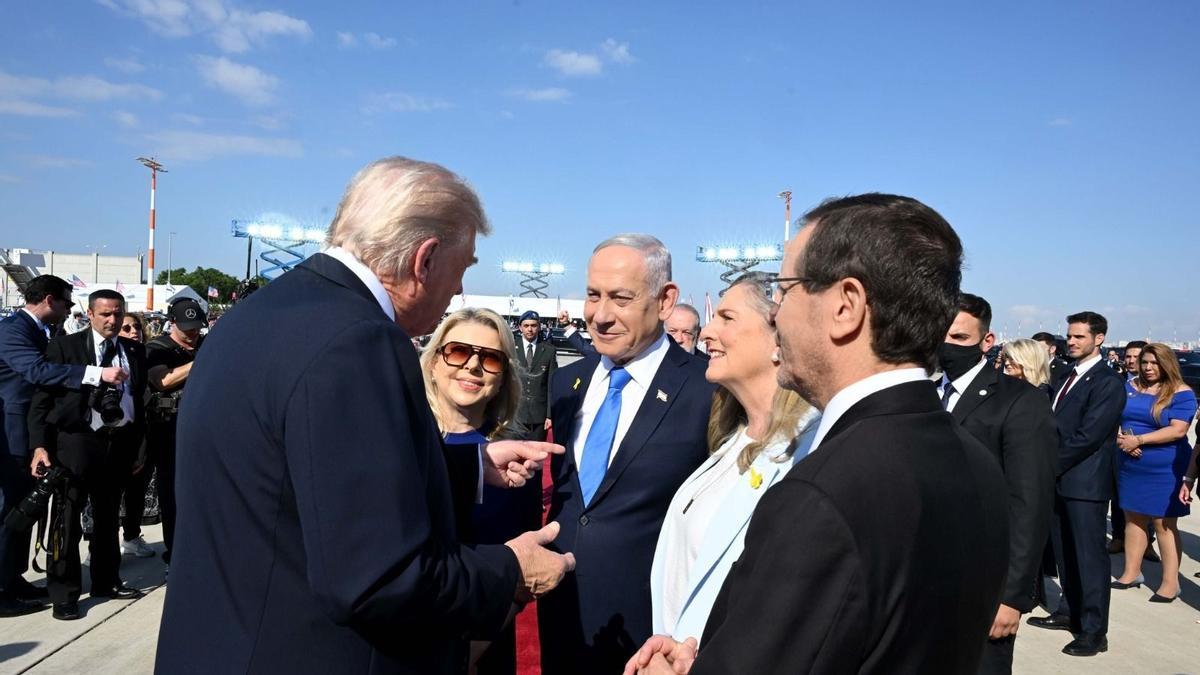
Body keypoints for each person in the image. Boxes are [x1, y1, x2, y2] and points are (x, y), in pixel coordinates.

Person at [155, 157, 574, 674]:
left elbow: (304, 481)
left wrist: (467, 468)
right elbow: (378, 577)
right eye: (463, 269)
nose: (459, 291)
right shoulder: (359, 341)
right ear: (425, 260)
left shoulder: (257, 315)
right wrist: (510, 570)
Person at [627, 194, 1009, 675]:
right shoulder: (977, 462)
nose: (776, 315)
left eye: (786, 291)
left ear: (845, 306)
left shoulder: (820, 493)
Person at [538, 234, 715, 675]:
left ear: (665, 300)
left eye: (620, 298)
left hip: (651, 634)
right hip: (561, 613)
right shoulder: (566, 383)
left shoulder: (707, 391)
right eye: (593, 295)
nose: (600, 315)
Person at [646, 275, 819, 645]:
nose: (706, 331)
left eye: (727, 318)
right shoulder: (733, 437)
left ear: (778, 337)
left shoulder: (811, 450)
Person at [938, 293, 1058, 675]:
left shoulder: (1020, 401)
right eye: (940, 335)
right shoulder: (922, 393)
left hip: (984, 584)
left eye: (959, 338)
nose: (946, 345)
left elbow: (1030, 503)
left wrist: (1012, 597)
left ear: (986, 342)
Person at [422, 307, 542, 675]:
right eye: (458, 351)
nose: (473, 366)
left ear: (504, 375)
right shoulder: (399, 440)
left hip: (477, 648)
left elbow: (519, 571)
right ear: (433, 361)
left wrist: (467, 655)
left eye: (490, 358)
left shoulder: (518, 461)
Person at [0, 275, 125, 617]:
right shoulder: (13, 331)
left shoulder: (45, 332)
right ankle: (1, 588)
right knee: (14, 509)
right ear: (50, 299)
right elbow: (38, 372)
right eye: (68, 303)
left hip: (34, 431)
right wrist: (96, 374)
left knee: (28, 504)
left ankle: (13, 578)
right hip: (11, 432)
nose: (69, 310)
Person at [28, 289, 148, 621]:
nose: (113, 320)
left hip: (118, 443)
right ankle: (64, 593)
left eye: (118, 313)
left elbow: (140, 401)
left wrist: (139, 448)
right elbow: (41, 400)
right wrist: (39, 445)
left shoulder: (134, 351)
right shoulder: (66, 347)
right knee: (66, 520)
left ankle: (106, 581)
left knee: (109, 518)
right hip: (75, 444)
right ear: (90, 315)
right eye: (106, 314)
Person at [1027, 311, 1125, 657]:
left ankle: (1095, 630)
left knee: (1089, 558)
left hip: (1084, 484)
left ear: (1099, 339)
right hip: (1058, 481)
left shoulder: (1107, 382)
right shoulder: (1065, 374)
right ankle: (1069, 611)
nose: (1071, 341)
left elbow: (1089, 436)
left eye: (1079, 336)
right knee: (1066, 554)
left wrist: (1046, 463)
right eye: (1069, 336)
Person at [1110, 344, 1197, 602]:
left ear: (1167, 364)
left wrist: (1140, 440)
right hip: (1129, 461)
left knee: (1164, 523)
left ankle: (1171, 584)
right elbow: (1111, 417)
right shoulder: (1128, 387)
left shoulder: (1182, 393)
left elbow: (1178, 430)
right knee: (1133, 518)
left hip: (1165, 466)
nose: (1148, 368)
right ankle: (1131, 572)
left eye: (1154, 363)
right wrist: (1120, 439)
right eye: (1145, 362)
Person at [142, 298, 207, 569]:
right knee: (173, 494)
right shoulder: (158, 349)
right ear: (173, 323)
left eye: (196, 328)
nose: (192, 333)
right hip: (169, 431)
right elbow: (163, 380)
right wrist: (202, 360)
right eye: (187, 328)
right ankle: (175, 551)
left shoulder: (204, 344)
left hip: (204, 431)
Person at [116, 312, 156, 559]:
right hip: (111, 433)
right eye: (127, 328)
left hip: (143, 433)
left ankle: (131, 535)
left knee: (136, 489)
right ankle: (97, 545)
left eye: (137, 327)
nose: (134, 332)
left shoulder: (146, 354)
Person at [1109, 339, 1154, 558]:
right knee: (1119, 496)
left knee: (1149, 499)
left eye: (1137, 357)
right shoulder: (1116, 382)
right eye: (1128, 356)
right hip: (1120, 448)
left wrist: (1140, 441)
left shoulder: (1157, 386)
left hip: (1148, 451)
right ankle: (1119, 537)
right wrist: (1122, 440)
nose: (1131, 361)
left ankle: (1148, 542)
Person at [512, 310, 556, 442]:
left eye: (533, 325)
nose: (530, 329)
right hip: (515, 414)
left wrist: (549, 415)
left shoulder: (549, 350)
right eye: (526, 326)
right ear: (520, 327)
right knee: (513, 457)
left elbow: (551, 385)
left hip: (539, 416)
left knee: (536, 457)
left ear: (539, 327)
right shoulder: (512, 348)